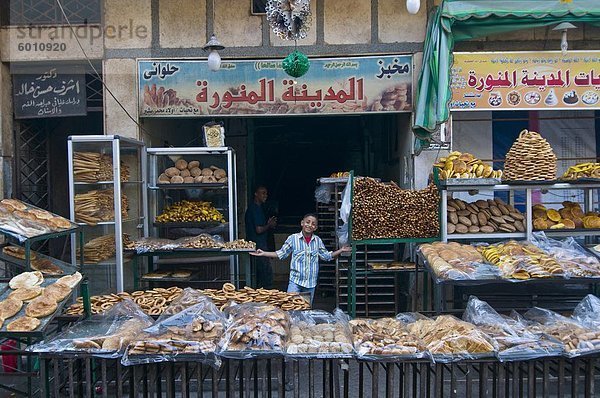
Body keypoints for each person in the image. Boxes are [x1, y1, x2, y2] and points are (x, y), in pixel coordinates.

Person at [251, 213, 350, 303]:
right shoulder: (293, 239)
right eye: (307, 222)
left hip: (310, 283)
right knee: (291, 308)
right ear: (302, 223)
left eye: (313, 224)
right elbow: (281, 254)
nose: (309, 225)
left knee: (306, 311)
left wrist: (340, 250)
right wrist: (264, 253)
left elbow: (326, 256)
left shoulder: (317, 241)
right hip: (295, 282)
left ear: (315, 228)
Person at [245, 185, 277, 288]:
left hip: (259, 244)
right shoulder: (254, 209)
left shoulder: (258, 208)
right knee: (265, 275)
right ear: (256, 194)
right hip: (258, 246)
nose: (265, 195)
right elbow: (258, 230)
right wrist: (269, 225)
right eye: (263, 193)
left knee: (260, 274)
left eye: (266, 193)